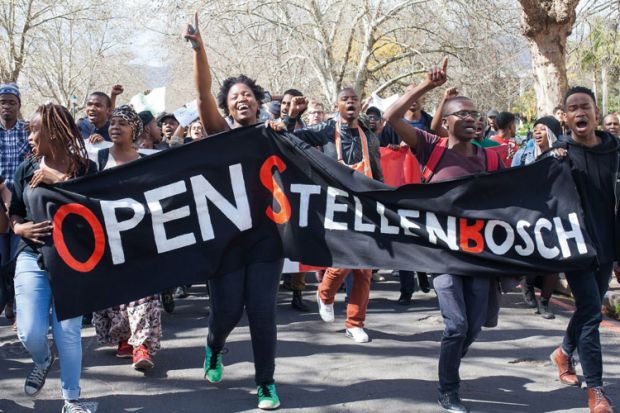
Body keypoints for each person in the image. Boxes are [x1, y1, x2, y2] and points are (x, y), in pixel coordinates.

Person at [384, 57, 504, 413]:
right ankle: (448, 389)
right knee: (456, 325)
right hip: (441, 253)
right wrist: (427, 87)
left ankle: (449, 363)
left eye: (474, 114)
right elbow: (391, 118)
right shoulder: (430, 147)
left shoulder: (493, 159)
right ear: (446, 122)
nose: (471, 119)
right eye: (462, 114)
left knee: (473, 329)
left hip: (478, 255)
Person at [185, 14, 283, 410]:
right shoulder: (220, 134)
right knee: (227, 310)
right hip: (225, 237)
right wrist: (198, 47)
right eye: (233, 97)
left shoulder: (277, 135)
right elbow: (204, 93)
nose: (241, 99)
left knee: (261, 311)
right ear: (226, 109)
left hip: (266, 237)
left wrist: (282, 135)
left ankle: (266, 384)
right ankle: (214, 346)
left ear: (258, 102)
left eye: (248, 95)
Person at [276, 87, 383, 344]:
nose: (350, 103)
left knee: (364, 269)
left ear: (360, 106)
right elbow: (288, 138)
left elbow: (377, 174)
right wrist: (290, 118)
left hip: (364, 208)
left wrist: (383, 204)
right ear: (337, 106)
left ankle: (355, 323)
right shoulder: (325, 130)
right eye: (345, 99)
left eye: (354, 99)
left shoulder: (369, 138)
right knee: (345, 260)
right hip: (333, 206)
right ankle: (325, 293)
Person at [10, 103, 97, 413]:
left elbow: (93, 212)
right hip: (31, 258)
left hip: (71, 262)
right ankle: (43, 359)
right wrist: (20, 227)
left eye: (35, 130)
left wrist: (57, 183)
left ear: (55, 133)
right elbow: (15, 213)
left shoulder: (86, 169)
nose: (29, 135)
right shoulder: (26, 168)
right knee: (29, 331)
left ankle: (71, 399)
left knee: (69, 332)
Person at [549, 86, 618, 413]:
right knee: (591, 312)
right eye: (573, 107)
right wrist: (551, 160)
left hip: (607, 244)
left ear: (595, 111)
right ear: (565, 116)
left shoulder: (614, 151)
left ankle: (563, 352)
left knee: (588, 310)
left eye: (585, 106)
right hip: (574, 248)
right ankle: (596, 391)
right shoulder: (559, 154)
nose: (580, 112)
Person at [91, 105, 161, 371]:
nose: (115, 127)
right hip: (107, 238)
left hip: (141, 238)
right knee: (116, 293)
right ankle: (124, 339)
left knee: (144, 292)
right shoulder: (96, 160)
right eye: (113, 123)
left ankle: (142, 345)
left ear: (135, 130)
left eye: (123, 123)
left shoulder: (147, 161)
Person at [511, 116, 562, 319]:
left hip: (558, 214)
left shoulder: (563, 154)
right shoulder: (522, 155)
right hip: (529, 214)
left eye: (543, 129)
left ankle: (545, 302)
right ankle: (528, 285)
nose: (538, 132)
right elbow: (511, 182)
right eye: (535, 129)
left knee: (555, 261)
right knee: (533, 256)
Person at [0, 83, 31, 324]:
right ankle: (8, 302)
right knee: (2, 258)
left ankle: (21, 308)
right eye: (3, 102)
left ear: (19, 105)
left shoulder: (29, 131)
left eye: (11, 101)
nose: (7, 106)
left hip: (22, 205)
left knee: (18, 256)